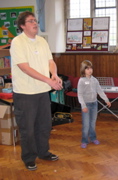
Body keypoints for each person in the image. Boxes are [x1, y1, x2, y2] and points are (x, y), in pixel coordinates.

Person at [10, 12, 63, 171]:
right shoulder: (17, 42)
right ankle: (29, 157)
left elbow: (50, 61)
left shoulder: (42, 41)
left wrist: (54, 74)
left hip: (42, 92)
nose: (35, 23)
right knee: (28, 128)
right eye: (31, 21)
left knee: (44, 126)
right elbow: (24, 67)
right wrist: (48, 80)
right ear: (22, 26)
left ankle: (43, 152)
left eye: (35, 20)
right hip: (25, 93)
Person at [77, 60, 111, 148]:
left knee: (92, 123)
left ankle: (93, 138)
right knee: (86, 124)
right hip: (86, 105)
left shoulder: (94, 80)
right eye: (87, 68)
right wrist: (83, 106)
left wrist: (106, 100)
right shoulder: (81, 81)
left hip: (94, 104)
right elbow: (80, 94)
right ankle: (84, 140)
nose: (89, 70)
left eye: (91, 68)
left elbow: (99, 90)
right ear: (83, 70)